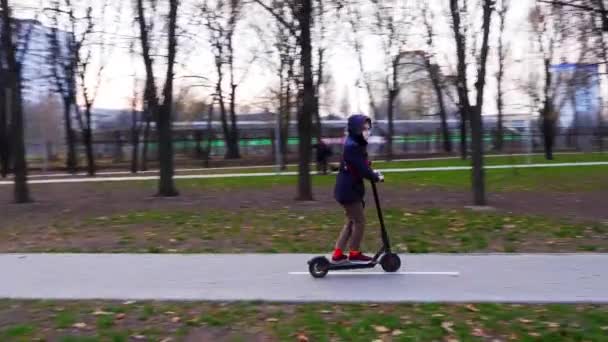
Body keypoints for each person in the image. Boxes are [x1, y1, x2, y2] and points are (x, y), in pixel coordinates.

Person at [331, 114, 384, 263]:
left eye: (368, 128)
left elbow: (361, 164)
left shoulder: (355, 143)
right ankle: (354, 253)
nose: (367, 131)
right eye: (363, 128)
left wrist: (370, 169)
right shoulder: (353, 146)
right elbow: (362, 168)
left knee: (351, 222)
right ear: (356, 129)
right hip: (349, 192)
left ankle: (337, 254)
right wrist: (375, 177)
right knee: (359, 222)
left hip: (347, 190)